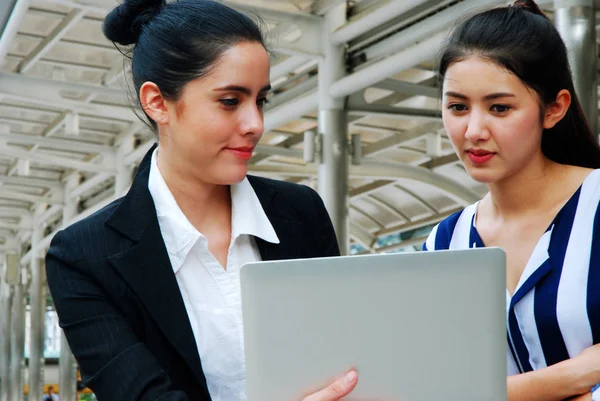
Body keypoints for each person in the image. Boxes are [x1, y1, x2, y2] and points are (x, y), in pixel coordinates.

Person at [45, 0, 360, 400]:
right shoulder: (85, 257)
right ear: (157, 102)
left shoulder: (300, 213)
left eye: (260, 100)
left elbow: (343, 358)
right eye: (230, 101)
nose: (255, 124)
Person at [424, 0, 600, 400]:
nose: (472, 130)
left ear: (554, 108)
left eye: (499, 108)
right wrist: (574, 375)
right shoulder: (442, 244)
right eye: (457, 107)